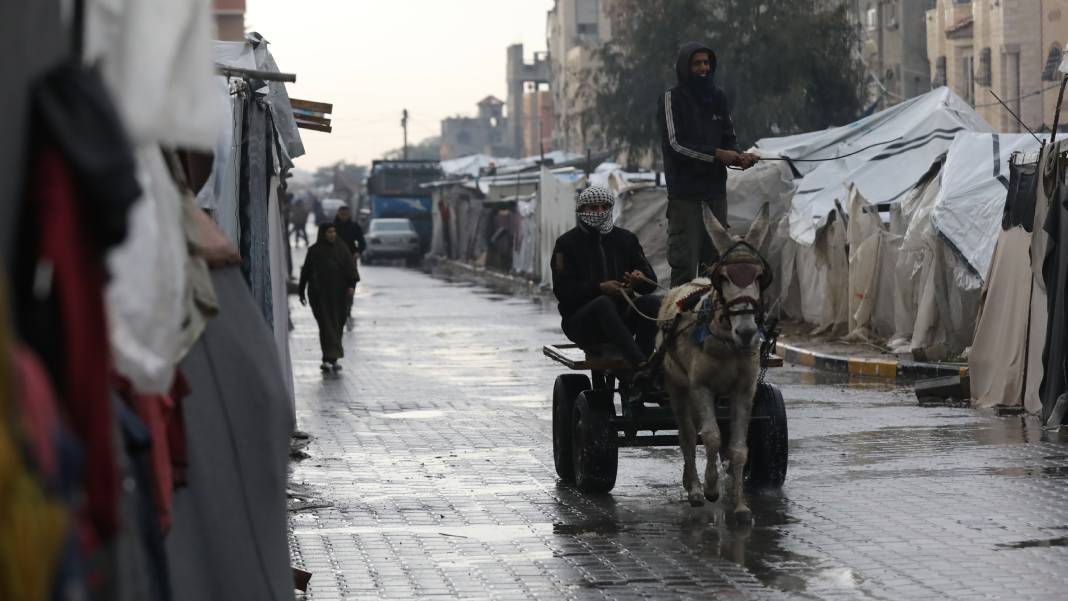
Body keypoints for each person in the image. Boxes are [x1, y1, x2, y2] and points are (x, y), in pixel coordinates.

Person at [658, 42, 760, 287]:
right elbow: (675, 145)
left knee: (715, 267)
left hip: (715, 194)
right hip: (685, 197)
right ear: (685, 67)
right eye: (697, 63)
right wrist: (716, 154)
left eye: (706, 63)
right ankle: (681, 322)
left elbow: (729, 137)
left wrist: (739, 157)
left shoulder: (718, 97)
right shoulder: (671, 99)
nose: (703, 67)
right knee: (685, 270)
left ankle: (711, 324)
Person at [550, 186, 661, 369]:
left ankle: (644, 357)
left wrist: (639, 279)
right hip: (583, 323)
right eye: (593, 208)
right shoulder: (566, 244)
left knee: (652, 303)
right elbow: (563, 290)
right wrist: (599, 288)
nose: (600, 212)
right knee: (603, 303)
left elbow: (650, 281)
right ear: (581, 210)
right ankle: (639, 364)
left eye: (604, 207)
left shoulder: (627, 239)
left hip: (623, 319)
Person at [298, 224, 358, 372]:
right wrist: (301, 292)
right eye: (329, 232)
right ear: (323, 233)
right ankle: (327, 358)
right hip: (320, 296)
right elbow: (306, 272)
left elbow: (351, 269)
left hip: (339, 296)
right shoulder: (314, 251)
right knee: (325, 326)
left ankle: (333, 358)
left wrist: (351, 286)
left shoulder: (342, 248)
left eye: (334, 231)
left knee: (337, 325)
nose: (332, 235)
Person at [333, 205, 366, 329]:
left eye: (346, 214)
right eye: (341, 214)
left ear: (349, 215)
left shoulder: (354, 227)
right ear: (338, 214)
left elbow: (362, 242)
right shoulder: (332, 227)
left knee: (350, 287)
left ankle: (348, 309)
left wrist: (358, 252)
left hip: (350, 262)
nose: (343, 217)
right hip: (335, 262)